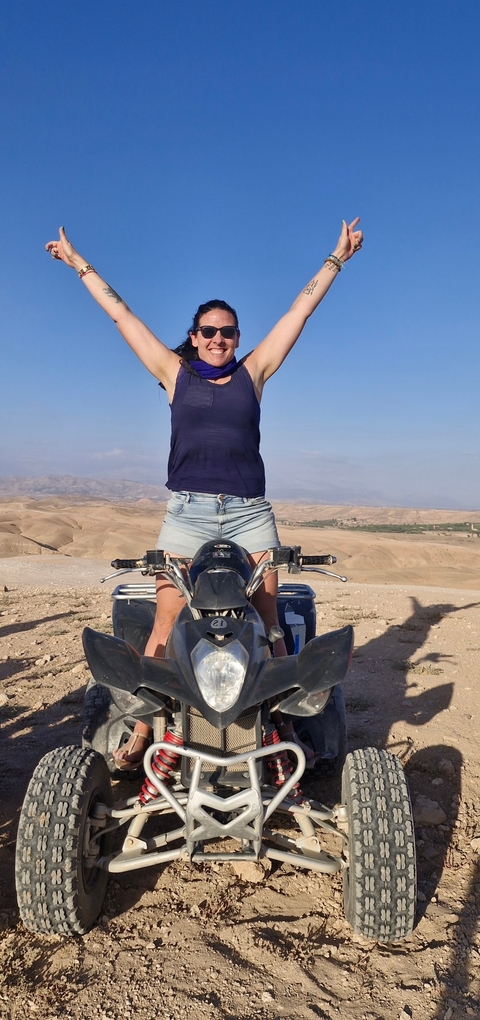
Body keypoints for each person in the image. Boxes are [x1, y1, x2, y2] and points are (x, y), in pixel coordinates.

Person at [46, 219, 363, 767]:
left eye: (229, 332)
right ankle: (146, 730)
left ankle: (283, 731)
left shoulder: (253, 373)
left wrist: (336, 259)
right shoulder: (173, 375)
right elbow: (122, 316)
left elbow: (298, 312)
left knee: (268, 625)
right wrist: (80, 265)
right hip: (187, 514)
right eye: (210, 331)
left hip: (249, 515)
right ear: (194, 336)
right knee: (166, 623)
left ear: (239, 338)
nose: (220, 339)